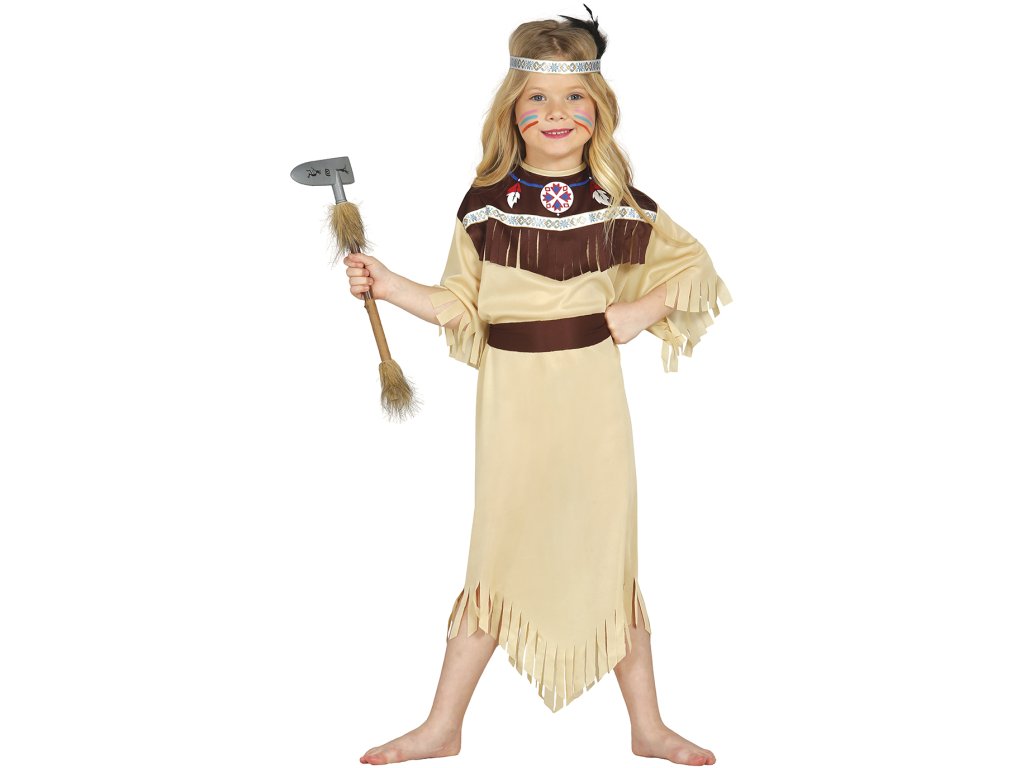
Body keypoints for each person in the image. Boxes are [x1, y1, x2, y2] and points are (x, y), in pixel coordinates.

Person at [345, 7, 730, 766]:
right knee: (498, 553)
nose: (557, 113)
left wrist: (637, 311)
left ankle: (648, 728)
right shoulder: (485, 203)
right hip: (513, 402)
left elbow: (696, 267)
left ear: (599, 109)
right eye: (538, 98)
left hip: (592, 401)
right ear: (512, 112)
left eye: (574, 97)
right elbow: (460, 305)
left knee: (607, 552)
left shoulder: (617, 202)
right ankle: (442, 727)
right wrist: (387, 284)